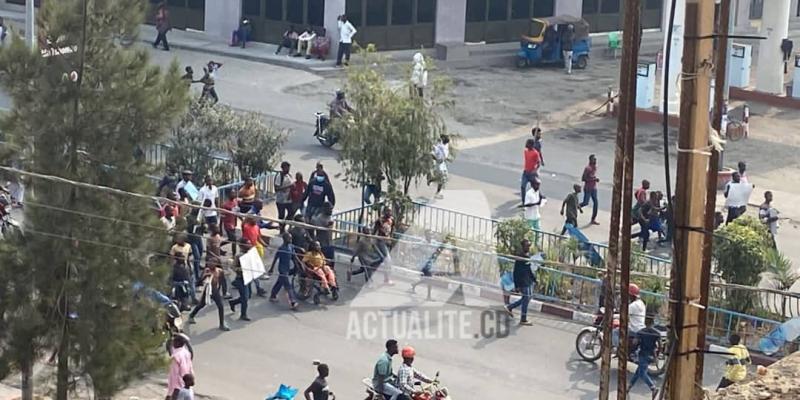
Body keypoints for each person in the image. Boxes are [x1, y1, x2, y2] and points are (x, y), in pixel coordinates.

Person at [187, 251, 229, 331]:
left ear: (216, 264)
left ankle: (222, 324)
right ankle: (192, 315)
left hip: (215, 291)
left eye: (213, 263)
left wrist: (223, 292)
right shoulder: (206, 271)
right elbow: (198, 282)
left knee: (221, 306)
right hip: (207, 291)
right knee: (201, 304)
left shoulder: (219, 271)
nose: (211, 264)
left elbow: (222, 281)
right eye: (210, 263)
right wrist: (205, 276)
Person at [505, 239, 536, 326]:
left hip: (527, 281)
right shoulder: (520, 257)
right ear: (523, 246)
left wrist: (534, 279)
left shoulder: (527, 256)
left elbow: (529, 269)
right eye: (527, 246)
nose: (528, 247)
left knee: (527, 298)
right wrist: (516, 285)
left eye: (529, 246)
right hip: (522, 282)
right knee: (526, 298)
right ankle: (523, 318)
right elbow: (516, 271)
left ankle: (510, 307)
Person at [628, 316, 660, 397]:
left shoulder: (641, 332)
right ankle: (629, 386)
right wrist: (656, 356)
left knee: (642, 373)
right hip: (652, 355)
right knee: (638, 372)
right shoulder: (656, 333)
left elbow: (635, 342)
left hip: (643, 354)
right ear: (653, 323)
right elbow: (661, 345)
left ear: (645, 323)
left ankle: (653, 388)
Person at [269, 232, 298, 309]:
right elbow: (275, 258)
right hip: (282, 269)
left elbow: (294, 257)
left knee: (280, 282)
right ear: (285, 239)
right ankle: (292, 302)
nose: (291, 239)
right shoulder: (281, 248)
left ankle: (273, 295)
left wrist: (298, 265)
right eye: (289, 238)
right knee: (288, 286)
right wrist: (271, 268)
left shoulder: (291, 247)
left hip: (287, 268)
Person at [229, 238, 253, 321]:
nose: (249, 245)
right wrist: (242, 270)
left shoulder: (250, 254)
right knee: (245, 298)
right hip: (240, 279)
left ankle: (233, 302)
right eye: (247, 243)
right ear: (242, 246)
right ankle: (243, 314)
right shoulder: (239, 256)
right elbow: (233, 267)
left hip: (248, 278)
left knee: (247, 296)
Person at [166, 335, 193, 400]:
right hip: (186, 384)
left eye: (174, 341)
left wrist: (171, 393)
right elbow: (190, 369)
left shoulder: (176, 356)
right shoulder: (186, 353)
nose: (173, 343)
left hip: (177, 387)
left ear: (178, 343)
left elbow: (175, 375)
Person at [373, 208, 395, 285]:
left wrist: (391, 240)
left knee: (384, 260)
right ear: (384, 212)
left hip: (387, 241)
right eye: (387, 211)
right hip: (380, 241)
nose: (389, 213)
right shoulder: (379, 220)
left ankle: (371, 265)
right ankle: (387, 279)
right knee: (388, 260)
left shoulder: (391, 220)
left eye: (390, 211)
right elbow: (374, 231)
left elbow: (392, 230)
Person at [520, 177, 544, 243]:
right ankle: (527, 245)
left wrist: (542, 199)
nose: (538, 186)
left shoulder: (538, 192)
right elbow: (527, 205)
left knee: (538, 232)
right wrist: (536, 203)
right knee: (528, 233)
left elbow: (541, 197)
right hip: (529, 217)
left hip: (536, 216)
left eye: (539, 185)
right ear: (532, 185)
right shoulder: (529, 194)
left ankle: (536, 245)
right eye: (537, 184)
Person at [579, 154, 600, 225]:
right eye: (594, 159)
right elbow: (583, 179)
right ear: (590, 160)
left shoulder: (595, 167)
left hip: (594, 188)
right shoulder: (587, 168)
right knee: (585, 203)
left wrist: (594, 179)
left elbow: (592, 176)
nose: (595, 161)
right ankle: (575, 207)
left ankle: (593, 219)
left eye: (595, 159)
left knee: (596, 203)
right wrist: (594, 179)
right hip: (587, 188)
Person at [274, 161, 295, 230]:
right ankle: (281, 229)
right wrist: (289, 186)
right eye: (287, 168)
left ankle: (283, 225)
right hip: (281, 200)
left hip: (288, 199)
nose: (288, 169)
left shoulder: (289, 175)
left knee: (291, 212)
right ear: (283, 168)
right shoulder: (279, 176)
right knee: (281, 215)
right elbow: (276, 188)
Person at [521, 138, 541, 203]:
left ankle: (538, 198)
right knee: (522, 186)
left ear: (531, 145)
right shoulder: (525, 152)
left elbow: (538, 163)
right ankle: (524, 201)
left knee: (535, 188)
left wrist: (535, 170)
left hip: (532, 173)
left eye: (527, 143)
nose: (526, 144)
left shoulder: (535, 153)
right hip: (526, 172)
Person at [431, 135, 450, 199]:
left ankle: (437, 190)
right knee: (442, 178)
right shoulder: (439, 147)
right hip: (439, 164)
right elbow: (434, 154)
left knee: (443, 178)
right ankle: (437, 192)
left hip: (442, 163)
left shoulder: (444, 146)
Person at [221, 191, 239, 256]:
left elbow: (236, 212)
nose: (233, 195)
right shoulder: (225, 205)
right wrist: (221, 227)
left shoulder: (235, 202)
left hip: (233, 223)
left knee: (231, 239)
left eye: (234, 193)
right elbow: (222, 216)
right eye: (232, 194)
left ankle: (218, 245)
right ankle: (234, 254)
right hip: (228, 224)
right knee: (234, 240)